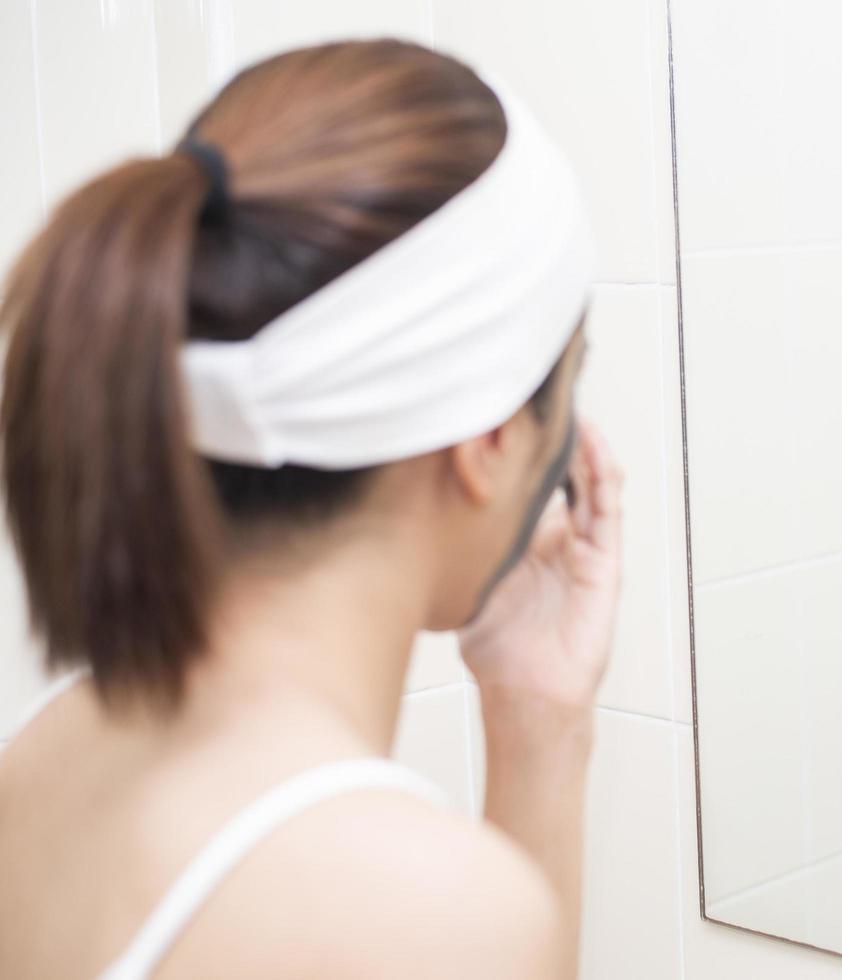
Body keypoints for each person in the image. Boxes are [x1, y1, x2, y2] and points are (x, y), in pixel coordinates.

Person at [0, 40, 620, 979]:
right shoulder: (413, 911)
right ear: (489, 437)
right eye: (568, 377)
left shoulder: (54, 741)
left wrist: (538, 718)